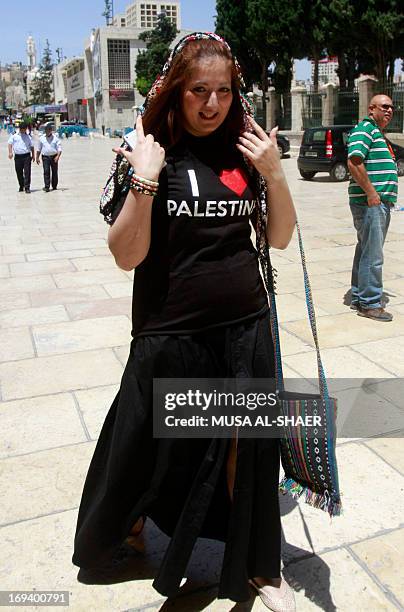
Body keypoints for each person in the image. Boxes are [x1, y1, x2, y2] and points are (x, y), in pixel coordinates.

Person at [72, 32, 297, 610]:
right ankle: (122, 531)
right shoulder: (147, 149)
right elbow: (126, 256)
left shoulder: (245, 150)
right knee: (146, 447)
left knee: (241, 451)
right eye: (199, 90)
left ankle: (246, 560)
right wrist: (145, 180)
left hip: (246, 328)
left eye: (223, 91)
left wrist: (274, 174)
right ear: (177, 91)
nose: (212, 104)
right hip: (170, 334)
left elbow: (278, 236)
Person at [347, 94, 398, 322]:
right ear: (371, 109)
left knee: (366, 249)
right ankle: (370, 303)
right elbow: (354, 161)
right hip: (371, 203)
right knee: (373, 254)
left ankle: (359, 295)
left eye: (391, 108)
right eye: (384, 107)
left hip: (375, 202)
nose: (389, 110)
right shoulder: (365, 129)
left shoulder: (375, 132)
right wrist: (371, 193)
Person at [7, 120, 34, 193]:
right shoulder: (14, 136)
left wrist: (33, 156)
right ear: (19, 128)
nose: (23, 130)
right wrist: (10, 152)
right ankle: (21, 185)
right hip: (18, 157)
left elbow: (32, 146)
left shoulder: (28, 136)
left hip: (27, 156)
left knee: (27, 172)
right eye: (22, 129)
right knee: (19, 172)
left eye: (25, 129)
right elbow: (9, 144)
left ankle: (27, 187)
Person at [36, 122, 62, 191]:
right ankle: (47, 186)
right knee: (46, 171)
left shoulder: (56, 138)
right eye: (46, 130)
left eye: (49, 130)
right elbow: (39, 149)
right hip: (45, 157)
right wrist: (37, 157)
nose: (47, 131)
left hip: (54, 157)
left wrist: (58, 156)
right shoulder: (41, 138)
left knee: (54, 172)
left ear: (51, 130)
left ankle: (54, 186)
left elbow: (59, 149)